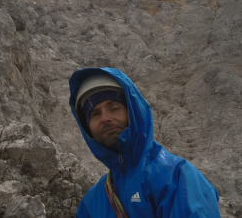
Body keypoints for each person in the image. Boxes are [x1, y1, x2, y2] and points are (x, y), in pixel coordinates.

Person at [68, 67, 221, 217]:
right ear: (87, 128)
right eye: (95, 114)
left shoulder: (177, 177)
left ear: (133, 112)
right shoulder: (92, 202)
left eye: (114, 108)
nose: (105, 118)